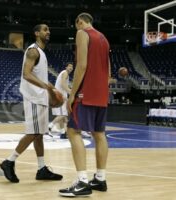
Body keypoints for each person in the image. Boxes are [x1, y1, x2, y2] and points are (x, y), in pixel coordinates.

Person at [0, 24, 63, 183]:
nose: (48, 32)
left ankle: (41, 169)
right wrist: (46, 86)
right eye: (44, 30)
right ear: (36, 33)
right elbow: (26, 74)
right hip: (34, 97)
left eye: (49, 29)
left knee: (39, 134)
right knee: (33, 133)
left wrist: (48, 89)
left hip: (40, 98)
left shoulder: (41, 52)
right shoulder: (33, 51)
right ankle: (9, 161)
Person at [59, 13, 110, 197]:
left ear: (80, 21)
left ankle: (81, 182)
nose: (76, 28)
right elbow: (109, 70)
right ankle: (100, 178)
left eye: (76, 24)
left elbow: (81, 65)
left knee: (73, 131)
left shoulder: (82, 33)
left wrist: (72, 95)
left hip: (85, 92)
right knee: (99, 134)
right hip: (102, 93)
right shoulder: (104, 38)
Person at [48, 63, 73, 138]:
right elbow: (63, 84)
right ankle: (50, 126)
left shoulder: (63, 73)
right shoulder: (65, 73)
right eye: (69, 66)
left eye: (72, 67)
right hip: (60, 96)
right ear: (66, 67)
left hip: (58, 95)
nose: (71, 68)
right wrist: (70, 92)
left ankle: (63, 133)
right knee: (63, 115)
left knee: (64, 117)